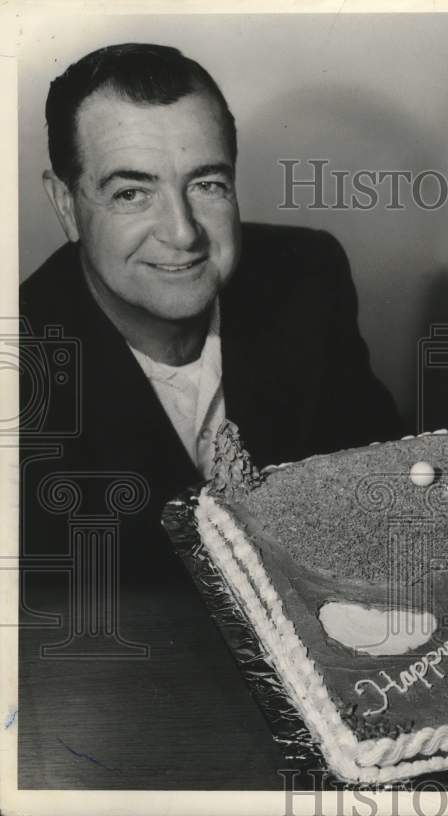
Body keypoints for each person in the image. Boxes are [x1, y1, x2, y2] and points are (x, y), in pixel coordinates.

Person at [19, 43, 402, 580]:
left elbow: (383, 493)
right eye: (132, 193)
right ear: (67, 206)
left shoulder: (308, 278)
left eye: (206, 184)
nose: (182, 232)